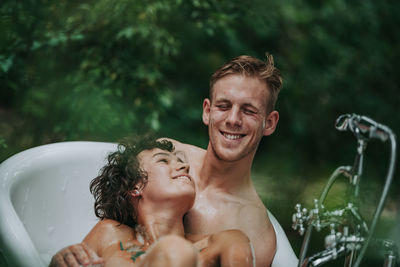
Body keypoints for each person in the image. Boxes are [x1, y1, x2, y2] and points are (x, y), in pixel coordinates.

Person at [51, 54, 298, 266]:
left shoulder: (252, 231)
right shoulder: (169, 154)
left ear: (270, 122)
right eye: (224, 106)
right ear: (207, 111)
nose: (233, 119)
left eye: (249, 110)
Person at [50, 136, 254, 267]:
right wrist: (58, 261)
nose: (184, 167)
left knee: (175, 250)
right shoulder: (109, 233)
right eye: (163, 161)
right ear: (134, 187)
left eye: (182, 162)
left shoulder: (220, 243)